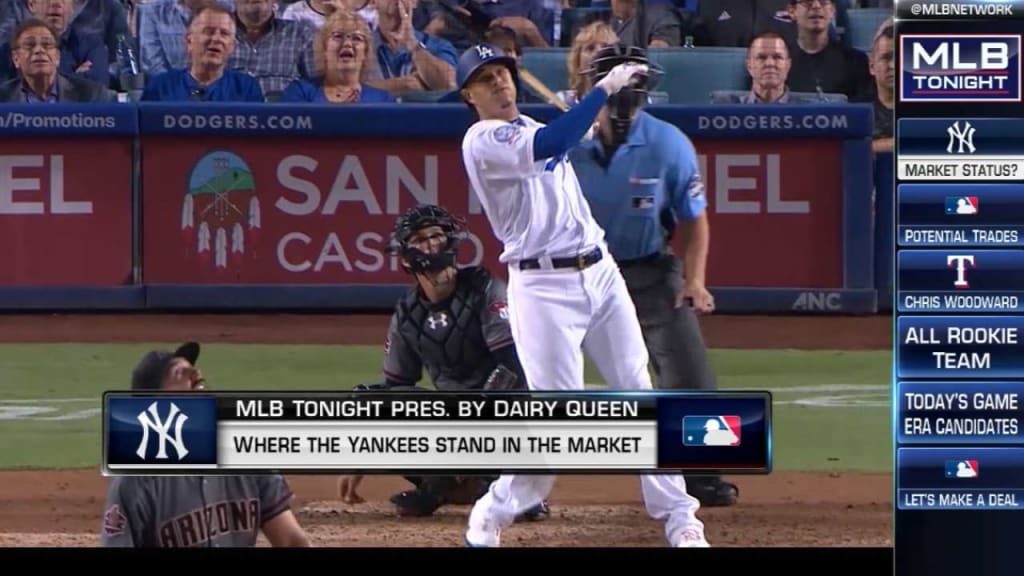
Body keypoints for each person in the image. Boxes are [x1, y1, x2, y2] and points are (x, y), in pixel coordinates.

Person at [454, 43, 710, 548]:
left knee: (639, 393)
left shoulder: (529, 127)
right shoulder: (481, 141)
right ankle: (495, 506)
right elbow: (554, 143)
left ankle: (682, 520)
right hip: (542, 288)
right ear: (469, 95)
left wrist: (585, 119)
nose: (500, 82)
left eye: (503, 72)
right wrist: (601, 93)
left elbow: (561, 139)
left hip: (600, 271)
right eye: (486, 78)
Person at [568, 43, 738, 508]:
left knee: (689, 374)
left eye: (635, 85)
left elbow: (695, 220)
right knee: (520, 367)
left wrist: (695, 280)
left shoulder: (669, 144)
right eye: (617, 84)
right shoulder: (563, 139)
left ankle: (702, 475)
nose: (626, 96)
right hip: (573, 274)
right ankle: (506, 480)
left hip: (647, 269)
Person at [336, 204, 550, 522]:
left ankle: (505, 486)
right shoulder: (409, 312)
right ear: (406, 257)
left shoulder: (484, 286)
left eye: (437, 235)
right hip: (454, 427)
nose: (432, 244)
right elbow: (396, 389)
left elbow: (514, 370)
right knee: (368, 401)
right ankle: (452, 483)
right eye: (421, 239)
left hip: (505, 419)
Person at [101, 342, 314, 548]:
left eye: (195, 372)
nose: (197, 376)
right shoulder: (136, 482)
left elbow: (292, 541)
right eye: (180, 373)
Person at [141, 5, 265, 102]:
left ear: (232, 46)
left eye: (224, 33)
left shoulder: (247, 89)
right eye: (209, 31)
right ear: (189, 40)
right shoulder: (160, 87)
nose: (217, 39)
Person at [280, 11, 394, 103]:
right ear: (324, 48)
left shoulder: (383, 100)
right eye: (338, 36)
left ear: (365, 52)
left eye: (357, 38)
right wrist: (338, 114)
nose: (347, 43)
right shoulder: (300, 91)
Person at [0, 18, 113, 102]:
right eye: (29, 45)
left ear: (57, 57)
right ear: (16, 58)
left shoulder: (92, 96)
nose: (39, 50)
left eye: (47, 44)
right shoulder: (3, 99)